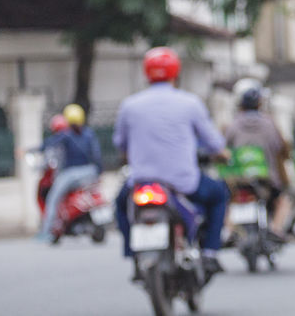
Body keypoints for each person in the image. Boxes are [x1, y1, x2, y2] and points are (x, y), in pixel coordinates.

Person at [113, 46, 230, 277]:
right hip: (183, 183)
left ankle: (132, 252)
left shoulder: (130, 105)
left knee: (119, 205)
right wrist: (222, 154)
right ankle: (210, 252)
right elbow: (214, 142)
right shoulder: (190, 103)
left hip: (141, 183)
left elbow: (120, 144)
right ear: (176, 73)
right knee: (219, 195)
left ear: (146, 73)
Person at [223, 84, 294, 241]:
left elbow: (224, 148)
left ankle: (229, 229)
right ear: (260, 104)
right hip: (266, 177)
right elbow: (279, 147)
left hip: (238, 177)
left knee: (224, 199)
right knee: (283, 199)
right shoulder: (269, 123)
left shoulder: (233, 124)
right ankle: (275, 228)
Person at [36, 103, 102, 242]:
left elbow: (49, 144)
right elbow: (97, 155)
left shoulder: (66, 135)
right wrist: (98, 172)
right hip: (90, 172)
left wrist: (30, 150)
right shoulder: (89, 134)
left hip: (71, 174)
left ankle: (46, 231)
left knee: (53, 198)